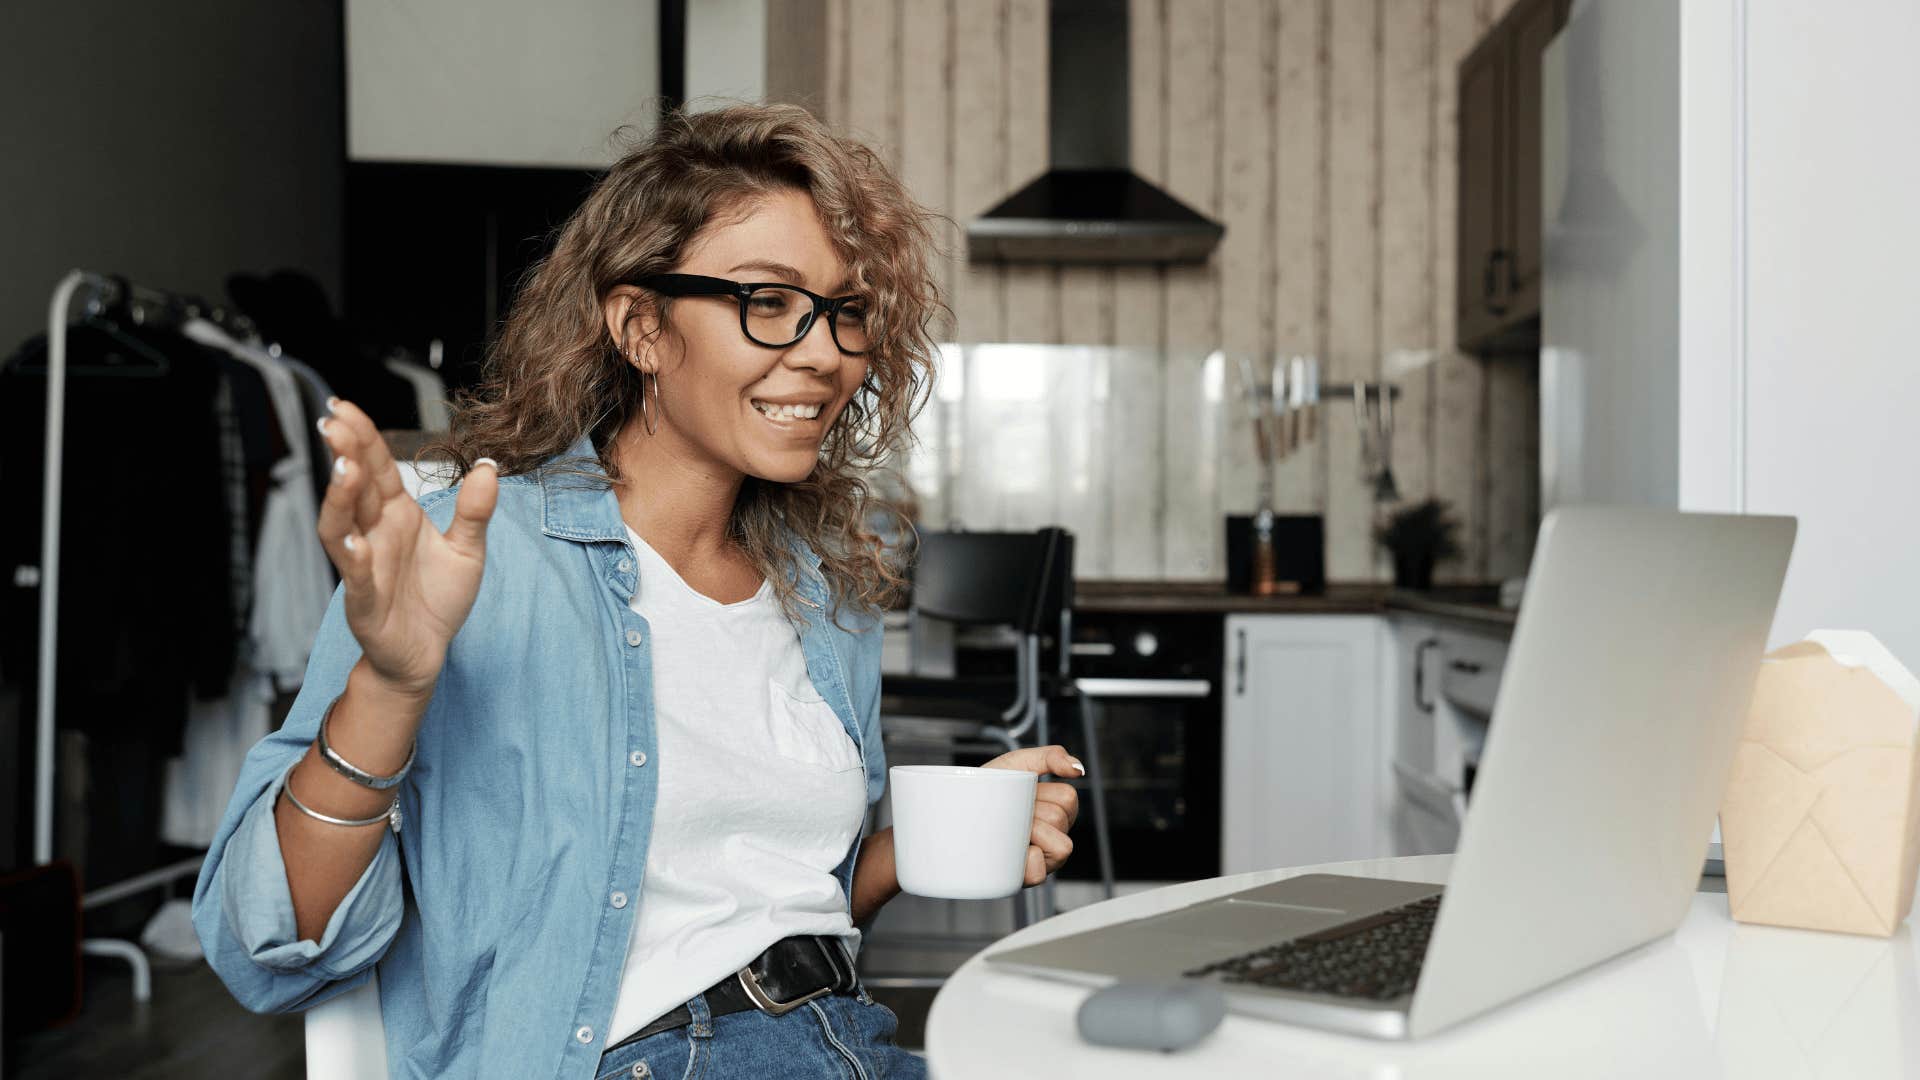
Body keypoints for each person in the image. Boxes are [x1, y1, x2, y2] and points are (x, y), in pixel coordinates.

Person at [191, 103, 1083, 1079]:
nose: (826, 352)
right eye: (770, 301)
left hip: (844, 1045)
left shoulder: (826, 593)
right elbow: (260, 944)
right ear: (641, 327)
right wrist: (390, 688)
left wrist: (906, 852)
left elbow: (769, 912)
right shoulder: (474, 553)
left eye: (847, 310)